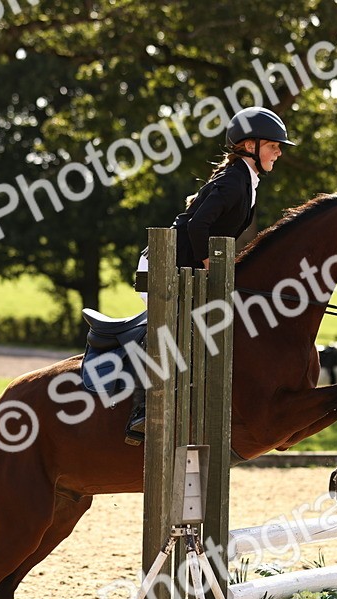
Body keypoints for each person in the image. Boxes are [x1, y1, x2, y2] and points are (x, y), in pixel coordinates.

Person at [127, 106, 295, 443]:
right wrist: (209, 263)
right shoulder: (235, 180)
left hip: (183, 266)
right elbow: (198, 224)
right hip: (166, 265)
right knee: (182, 329)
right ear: (249, 146)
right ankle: (143, 411)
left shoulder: (244, 179)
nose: (278, 151)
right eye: (273, 145)